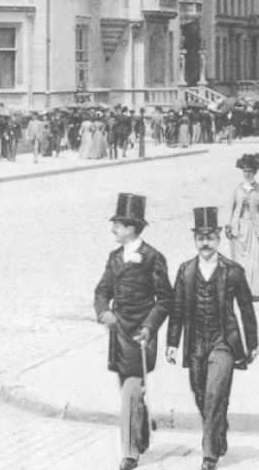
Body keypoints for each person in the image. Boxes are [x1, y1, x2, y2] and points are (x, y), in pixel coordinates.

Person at [165, 207, 259, 470]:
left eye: (209, 237)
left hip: (224, 342)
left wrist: (251, 344)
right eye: (200, 238)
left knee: (214, 394)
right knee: (199, 393)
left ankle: (209, 455)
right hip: (195, 344)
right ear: (195, 240)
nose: (205, 243)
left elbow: (246, 309)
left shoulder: (233, 271)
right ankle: (219, 429)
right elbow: (176, 310)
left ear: (219, 239)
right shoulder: (185, 272)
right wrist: (172, 343)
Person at [94, 193, 173, 470]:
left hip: (141, 335)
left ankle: (129, 453)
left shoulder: (153, 258)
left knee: (130, 391)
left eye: (117, 224)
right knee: (130, 393)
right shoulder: (114, 258)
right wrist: (104, 311)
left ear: (131, 228)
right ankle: (140, 430)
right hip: (119, 335)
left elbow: (165, 300)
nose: (113, 228)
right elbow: (102, 290)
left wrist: (150, 327)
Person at [226, 153, 259, 300]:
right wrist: (228, 225)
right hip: (240, 228)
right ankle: (240, 291)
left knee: (255, 260)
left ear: (254, 173)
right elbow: (230, 208)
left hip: (255, 228)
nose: (247, 174)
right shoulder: (237, 189)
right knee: (240, 260)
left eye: (250, 171)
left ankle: (255, 291)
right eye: (245, 171)